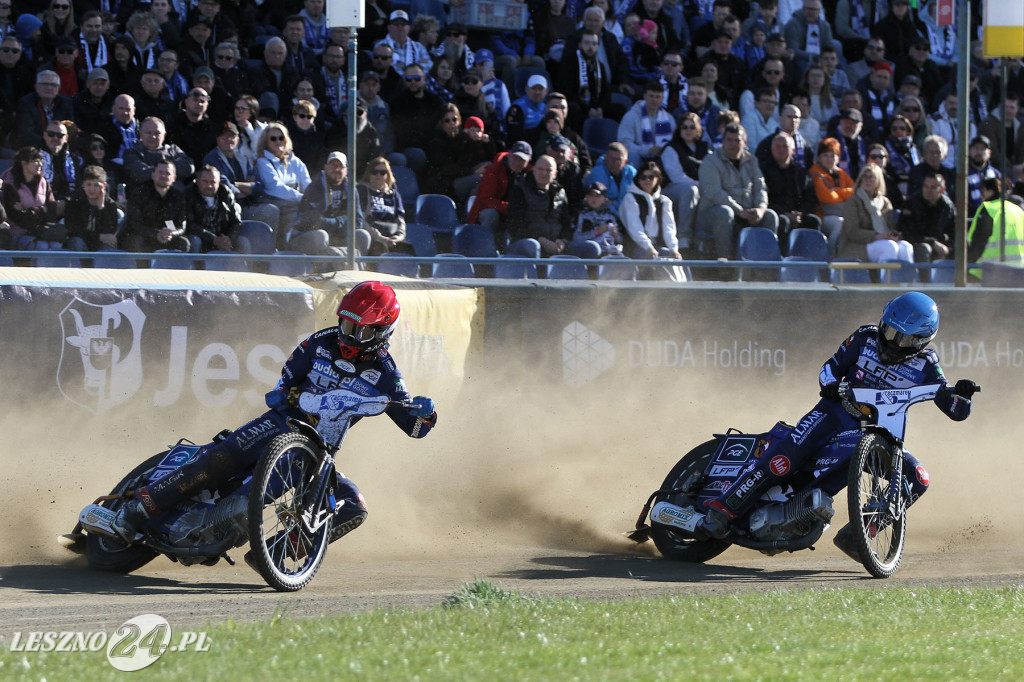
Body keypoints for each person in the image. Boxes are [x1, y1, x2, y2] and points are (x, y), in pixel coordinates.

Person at [92, 280, 439, 557]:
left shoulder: (387, 374)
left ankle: (272, 554)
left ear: (382, 331)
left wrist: (426, 414)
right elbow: (285, 382)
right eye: (346, 324)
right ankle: (135, 512)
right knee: (221, 457)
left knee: (354, 507)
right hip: (280, 422)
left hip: (318, 452)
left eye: (359, 330)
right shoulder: (319, 343)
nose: (348, 335)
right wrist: (283, 393)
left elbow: (414, 427)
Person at [675, 291, 977, 558]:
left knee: (919, 478)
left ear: (921, 341)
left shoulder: (927, 364)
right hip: (832, 414)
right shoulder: (865, 337)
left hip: (874, 433)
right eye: (889, 330)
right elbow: (830, 368)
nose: (891, 341)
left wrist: (962, 396)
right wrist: (830, 385)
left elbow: (954, 408)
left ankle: (861, 534)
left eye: (903, 339)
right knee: (783, 461)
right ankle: (723, 509)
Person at [696, 123, 778, 260]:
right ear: (723, 141)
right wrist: (739, 210)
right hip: (714, 213)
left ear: (744, 142)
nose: (733, 144)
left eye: (737, 140)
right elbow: (714, 193)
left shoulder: (752, 160)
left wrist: (760, 209)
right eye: (729, 140)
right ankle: (726, 263)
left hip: (746, 211)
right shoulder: (710, 161)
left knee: (770, 216)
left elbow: (760, 187)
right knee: (725, 213)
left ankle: (765, 265)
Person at [291, 151, 370, 257]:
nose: (336, 169)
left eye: (340, 166)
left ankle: (355, 267)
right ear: (326, 167)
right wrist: (341, 221)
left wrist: (337, 223)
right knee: (321, 235)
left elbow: (358, 221)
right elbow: (315, 222)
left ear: (346, 170)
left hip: (336, 235)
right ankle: (318, 267)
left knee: (362, 235)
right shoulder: (315, 187)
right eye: (333, 166)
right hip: (304, 237)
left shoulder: (351, 190)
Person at [619, 161, 684, 280]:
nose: (647, 180)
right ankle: (649, 290)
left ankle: (680, 290)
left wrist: (673, 249)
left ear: (657, 179)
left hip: (657, 245)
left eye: (651, 177)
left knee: (674, 260)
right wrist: (648, 247)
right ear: (638, 179)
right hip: (636, 245)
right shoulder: (630, 198)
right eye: (643, 177)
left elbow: (669, 228)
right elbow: (634, 228)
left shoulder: (664, 201)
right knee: (649, 260)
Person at [837, 163, 911, 263]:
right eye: (864, 177)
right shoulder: (853, 201)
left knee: (906, 247)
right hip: (857, 246)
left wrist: (892, 235)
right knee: (889, 247)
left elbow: (890, 227)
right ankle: (885, 274)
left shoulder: (885, 202)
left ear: (878, 181)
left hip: (883, 240)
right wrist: (877, 236)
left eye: (871, 177)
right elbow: (852, 232)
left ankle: (908, 274)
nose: (867, 180)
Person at [254, 122, 312, 247]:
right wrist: (303, 198)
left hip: (296, 202)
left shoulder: (296, 161)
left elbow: (307, 184)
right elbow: (275, 187)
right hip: (274, 201)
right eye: (273, 138)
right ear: (266, 142)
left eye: (281, 138)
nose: (278, 141)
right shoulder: (263, 162)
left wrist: (311, 197)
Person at [467, 141, 533, 249]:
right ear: (509, 154)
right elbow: (485, 200)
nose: (517, 162)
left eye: (522, 160)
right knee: (490, 214)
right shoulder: (494, 170)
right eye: (515, 157)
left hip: (516, 213)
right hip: (496, 210)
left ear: (528, 161)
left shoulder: (532, 174)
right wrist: (509, 208)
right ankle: (483, 248)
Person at [760, 132, 821, 242]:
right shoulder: (763, 171)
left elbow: (810, 197)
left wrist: (801, 213)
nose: (781, 149)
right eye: (778, 146)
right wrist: (785, 213)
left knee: (813, 221)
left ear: (793, 150)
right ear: (772, 149)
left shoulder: (801, 172)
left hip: (798, 215)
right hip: (777, 214)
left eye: (785, 146)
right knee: (783, 221)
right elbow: (763, 197)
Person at [0, 145, 65, 250]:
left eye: (41, 161)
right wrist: (44, 210)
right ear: (24, 163)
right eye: (35, 161)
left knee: (55, 246)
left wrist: (30, 211)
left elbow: (52, 212)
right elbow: (19, 218)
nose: (40, 164)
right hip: (19, 233)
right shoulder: (11, 186)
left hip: (42, 232)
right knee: (41, 247)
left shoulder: (44, 184)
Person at [122, 158, 190, 252]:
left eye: (167, 173)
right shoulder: (139, 194)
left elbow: (182, 226)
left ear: (174, 178)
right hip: (144, 236)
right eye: (160, 172)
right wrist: (155, 234)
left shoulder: (178, 197)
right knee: (136, 241)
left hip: (167, 237)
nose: (163, 175)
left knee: (183, 243)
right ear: (153, 175)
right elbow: (134, 223)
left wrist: (171, 233)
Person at [967, 177, 1024, 280]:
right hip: (1019, 272)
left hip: (990, 272)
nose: (981, 196)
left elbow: (978, 243)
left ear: (990, 191)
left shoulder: (988, 209)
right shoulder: (1018, 210)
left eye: (982, 192)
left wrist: (969, 268)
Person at [356, 156, 413, 256]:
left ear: (387, 175)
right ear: (369, 174)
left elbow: (400, 220)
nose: (378, 175)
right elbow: (362, 220)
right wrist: (381, 238)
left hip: (392, 235)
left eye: (382, 172)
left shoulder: (394, 194)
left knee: (408, 248)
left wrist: (399, 236)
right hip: (374, 236)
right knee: (380, 247)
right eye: (374, 172)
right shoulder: (362, 191)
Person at [808, 136, 855, 255]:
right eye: (825, 156)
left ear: (838, 158)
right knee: (839, 223)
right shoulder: (815, 173)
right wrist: (845, 194)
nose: (829, 159)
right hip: (823, 216)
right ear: (819, 157)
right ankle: (831, 254)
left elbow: (856, 191)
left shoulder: (841, 173)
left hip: (841, 213)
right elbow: (827, 197)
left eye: (832, 156)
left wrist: (837, 190)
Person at [184, 164, 245, 253]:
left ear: (219, 183)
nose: (209, 186)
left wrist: (228, 239)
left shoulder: (226, 194)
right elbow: (189, 224)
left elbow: (236, 222)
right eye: (205, 181)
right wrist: (213, 239)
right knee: (195, 241)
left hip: (223, 238)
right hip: (202, 238)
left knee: (243, 242)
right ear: (198, 181)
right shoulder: (188, 195)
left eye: (213, 182)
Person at [898, 171, 955, 263]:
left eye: (933, 187)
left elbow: (953, 232)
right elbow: (906, 232)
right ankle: (924, 273)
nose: (928, 190)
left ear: (942, 190)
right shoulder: (912, 203)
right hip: (917, 242)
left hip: (941, 243)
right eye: (926, 186)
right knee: (924, 248)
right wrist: (932, 242)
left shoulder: (948, 207)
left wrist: (948, 248)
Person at [64, 164, 120, 251]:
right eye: (89, 184)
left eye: (96, 185)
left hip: (99, 243)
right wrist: (98, 236)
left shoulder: (110, 204)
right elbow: (73, 230)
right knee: (77, 243)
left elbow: (109, 232)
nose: (92, 189)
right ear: (83, 184)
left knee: (109, 247)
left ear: (104, 186)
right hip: (81, 240)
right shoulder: (75, 201)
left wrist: (101, 208)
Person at [587, 142, 638, 214]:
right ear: (606, 159)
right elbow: (600, 202)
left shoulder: (632, 173)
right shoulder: (597, 173)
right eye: (611, 158)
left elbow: (636, 198)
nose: (613, 162)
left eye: (618, 159)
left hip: (628, 213)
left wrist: (614, 203)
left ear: (625, 162)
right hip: (602, 214)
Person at [573, 181, 623, 256]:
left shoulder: (611, 217)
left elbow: (620, 240)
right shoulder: (581, 215)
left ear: (604, 199)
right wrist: (597, 232)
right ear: (586, 197)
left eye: (597, 196)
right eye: (591, 195)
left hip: (608, 249)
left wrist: (616, 234)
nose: (593, 198)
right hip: (587, 250)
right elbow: (575, 239)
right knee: (594, 248)